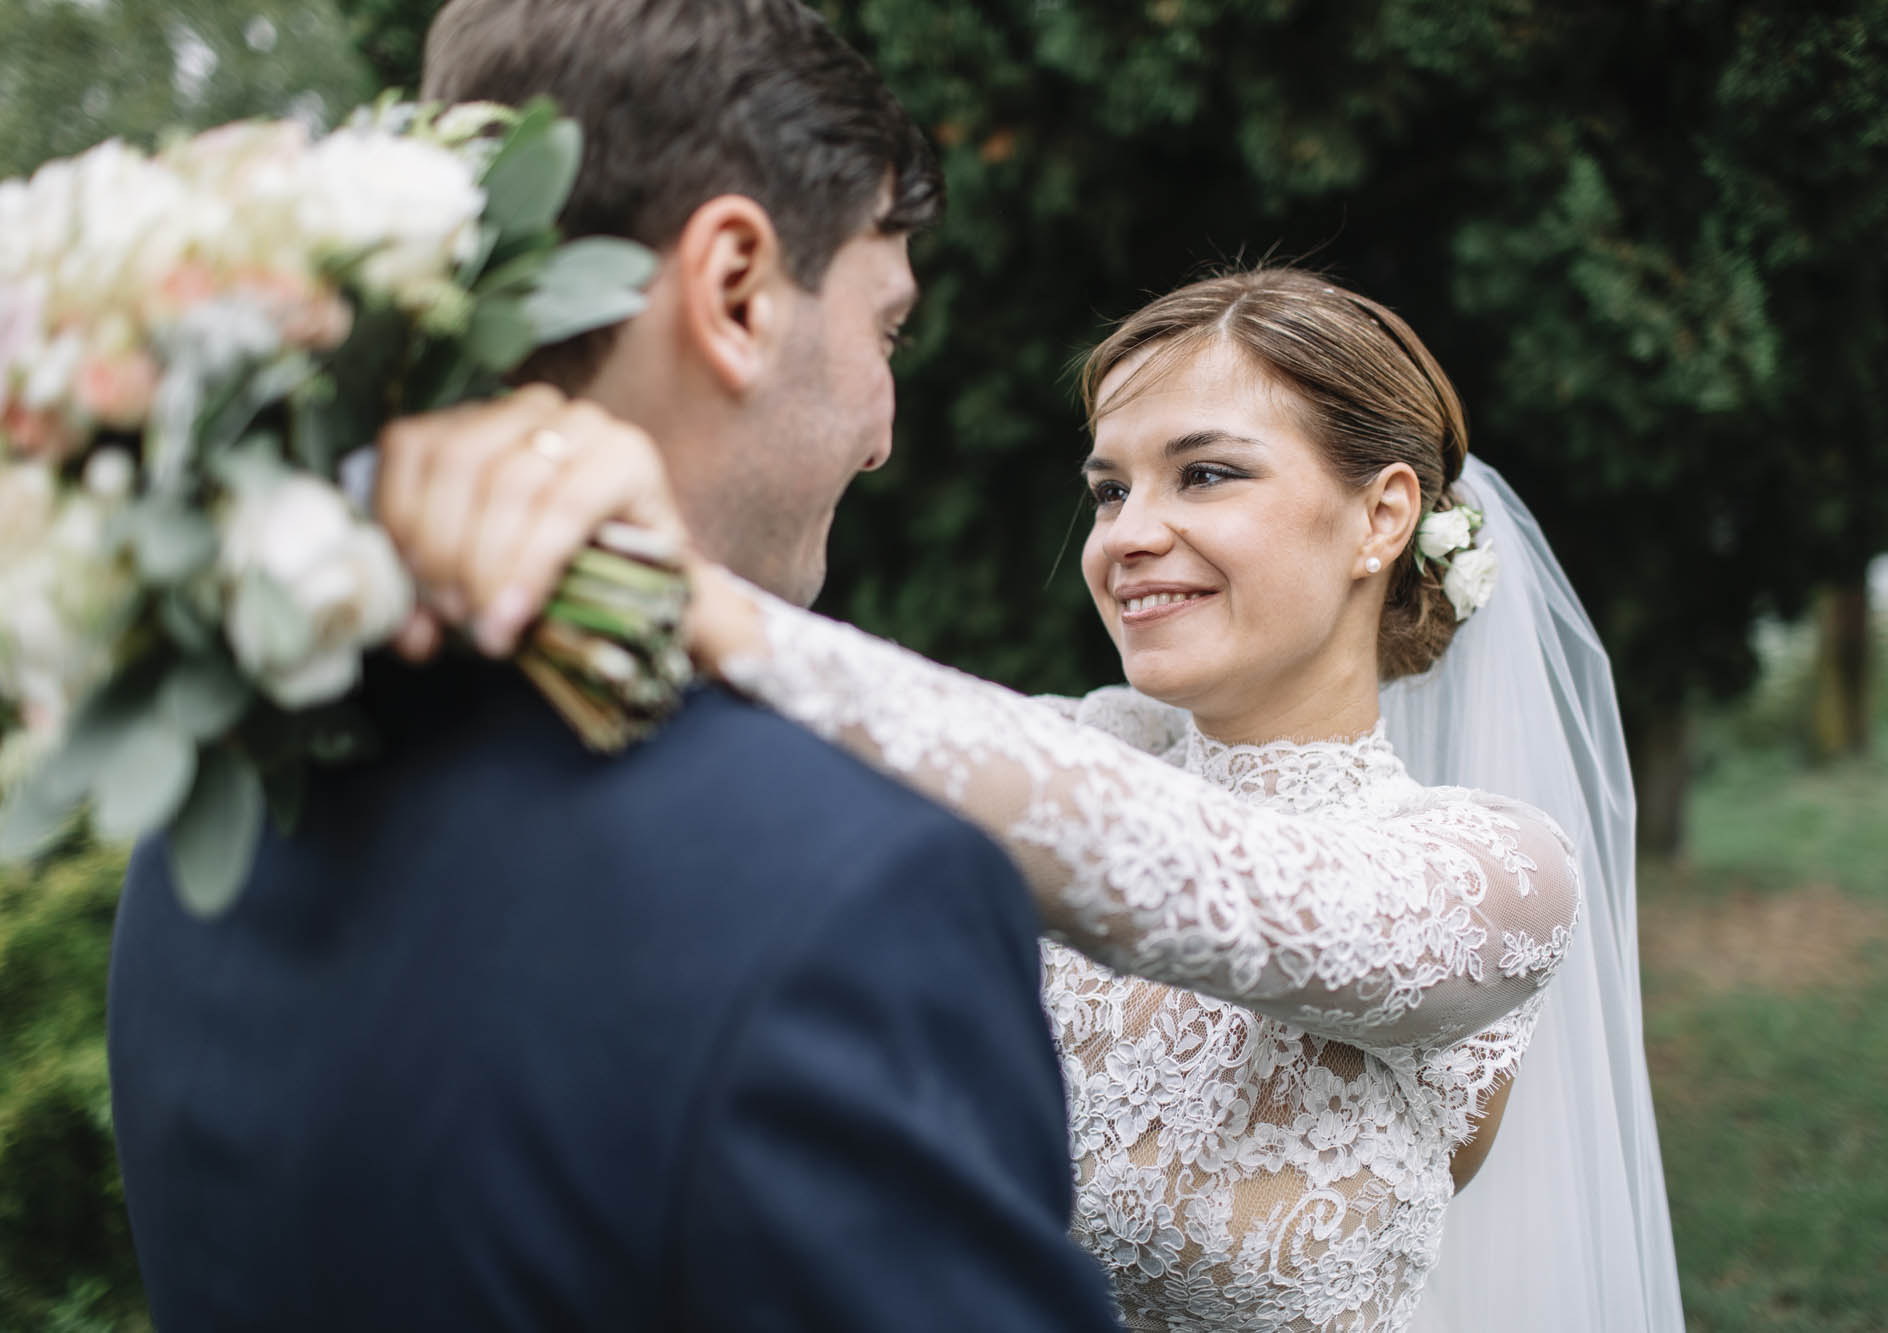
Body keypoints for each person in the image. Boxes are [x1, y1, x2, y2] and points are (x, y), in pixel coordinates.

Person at [384, 267, 1684, 1330]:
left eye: (1207, 474)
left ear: (1380, 516)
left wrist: (681, 594)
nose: (1125, 533)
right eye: (1111, 488)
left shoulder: (1492, 875)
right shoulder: (1082, 745)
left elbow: (1207, 882)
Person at [104, 2, 1124, 1329]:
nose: (883, 437)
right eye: (890, 330)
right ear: (737, 291)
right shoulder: (847, 894)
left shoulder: (217, 807)